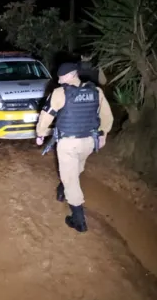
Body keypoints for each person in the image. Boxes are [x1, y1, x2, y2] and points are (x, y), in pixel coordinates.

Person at [35, 62, 114, 233]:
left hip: (68, 143)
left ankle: (78, 221)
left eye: (61, 76)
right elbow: (107, 116)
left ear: (71, 75)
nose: (59, 79)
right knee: (76, 168)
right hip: (89, 142)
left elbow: (46, 116)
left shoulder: (60, 93)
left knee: (71, 179)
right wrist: (103, 135)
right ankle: (63, 188)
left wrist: (40, 134)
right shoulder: (96, 91)